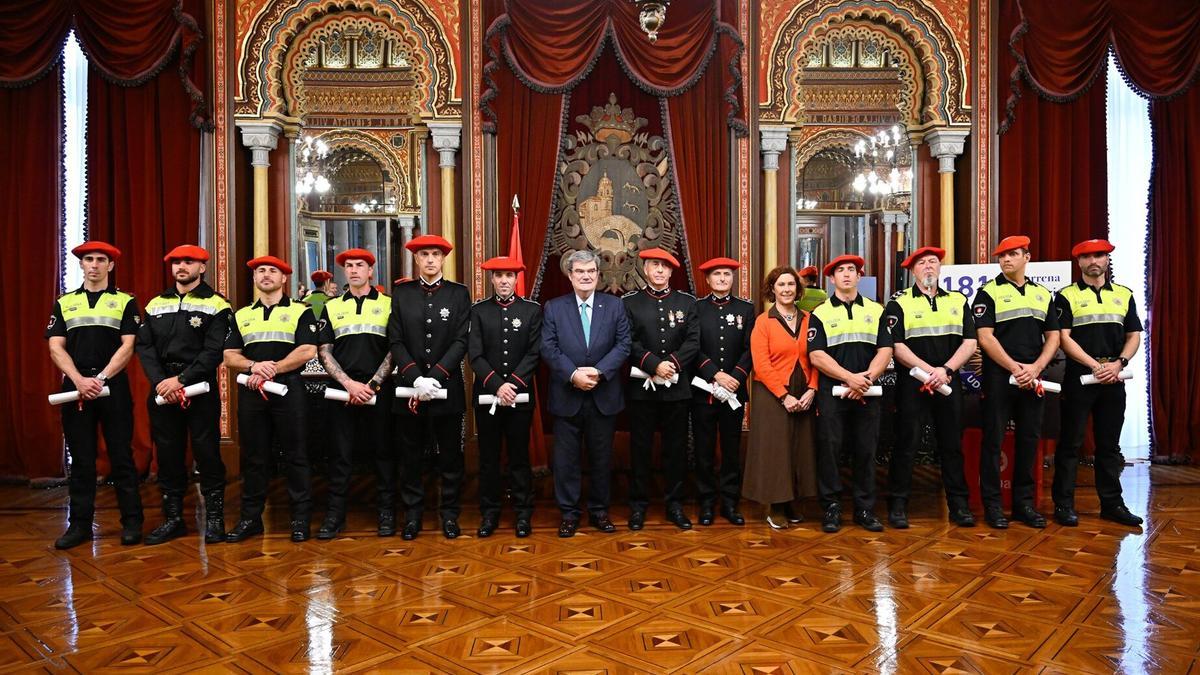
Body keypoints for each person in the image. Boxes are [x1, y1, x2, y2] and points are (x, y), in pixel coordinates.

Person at [46, 241, 143, 549]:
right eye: (89, 259)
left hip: (112, 386)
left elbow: (128, 346)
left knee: (121, 456)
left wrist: (99, 379)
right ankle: (79, 526)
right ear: (82, 264)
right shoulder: (64, 303)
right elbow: (54, 346)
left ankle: (131, 523)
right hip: (75, 388)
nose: (95, 264)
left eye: (102, 260)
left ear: (110, 266)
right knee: (83, 460)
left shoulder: (125, 302)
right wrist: (78, 380)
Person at [137, 244, 230, 545]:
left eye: (188, 262)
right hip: (164, 389)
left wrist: (181, 380)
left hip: (199, 387)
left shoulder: (218, 304)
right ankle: (173, 519)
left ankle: (215, 520)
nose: (181, 267)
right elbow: (145, 348)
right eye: (176, 262)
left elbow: (214, 351)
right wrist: (162, 382)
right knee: (168, 453)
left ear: (202, 268)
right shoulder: (154, 304)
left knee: (207, 452)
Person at [223, 255, 318, 542]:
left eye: (272, 271)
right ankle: (251, 519)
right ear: (254, 279)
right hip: (252, 390)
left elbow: (307, 351)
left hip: (289, 388)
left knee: (296, 456)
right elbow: (229, 356)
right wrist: (254, 367)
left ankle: (300, 520)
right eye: (260, 271)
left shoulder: (301, 311)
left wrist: (272, 368)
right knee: (254, 457)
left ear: (284, 278)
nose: (266, 275)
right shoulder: (241, 315)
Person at [1053, 239, 1144, 527]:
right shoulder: (1065, 296)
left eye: (1099, 255)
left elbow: (1134, 336)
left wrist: (1119, 364)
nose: (1093, 260)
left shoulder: (1124, 294)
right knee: (1071, 443)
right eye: (1086, 256)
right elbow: (1063, 337)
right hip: (1080, 377)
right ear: (1078, 263)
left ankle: (1112, 504)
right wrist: (1094, 365)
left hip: (1114, 377)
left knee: (1109, 446)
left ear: (1107, 260)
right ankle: (1064, 505)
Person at [885, 246, 978, 528]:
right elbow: (896, 346)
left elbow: (970, 342)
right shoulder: (898, 303)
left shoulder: (958, 300)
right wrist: (929, 372)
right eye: (922, 263)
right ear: (913, 271)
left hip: (949, 381)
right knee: (906, 444)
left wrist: (945, 370)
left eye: (933, 262)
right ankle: (898, 505)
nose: (928, 267)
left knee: (952, 444)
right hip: (913, 383)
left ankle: (959, 506)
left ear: (940, 268)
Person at [541, 249, 631, 538]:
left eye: (591, 271)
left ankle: (599, 511)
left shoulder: (614, 306)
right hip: (567, 396)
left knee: (601, 458)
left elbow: (623, 345)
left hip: (603, 395)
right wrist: (573, 375)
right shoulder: (554, 307)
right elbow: (549, 348)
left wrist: (598, 372)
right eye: (580, 271)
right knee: (566, 461)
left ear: (598, 275)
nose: (586, 276)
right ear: (570, 275)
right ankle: (568, 514)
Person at [973, 235, 1060, 529]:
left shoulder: (1042, 294)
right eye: (1002, 256)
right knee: (993, 441)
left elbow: (1053, 337)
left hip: (1033, 376)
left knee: (1029, 440)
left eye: (1013, 254)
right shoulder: (987, 293)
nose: (1006, 259)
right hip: (999, 376)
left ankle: (1025, 505)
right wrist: (1013, 367)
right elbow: (985, 337)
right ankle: (993, 506)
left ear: (1027, 257)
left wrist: (1035, 367)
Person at [387, 234, 471, 540]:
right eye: (424, 255)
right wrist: (415, 378)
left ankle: (449, 514)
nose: (431, 260)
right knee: (410, 456)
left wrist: (434, 376)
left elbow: (462, 339)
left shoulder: (458, 294)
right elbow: (395, 339)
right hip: (409, 390)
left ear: (444, 258)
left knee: (450, 456)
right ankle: (412, 516)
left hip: (446, 387)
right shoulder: (402, 293)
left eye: (436, 254)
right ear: (416, 259)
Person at [808, 255, 893, 533]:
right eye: (840, 271)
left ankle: (865, 509)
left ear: (859, 277)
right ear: (831, 280)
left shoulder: (877, 310)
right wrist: (849, 379)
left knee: (866, 450)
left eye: (852, 270)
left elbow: (885, 350)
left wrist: (865, 380)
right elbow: (817, 355)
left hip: (868, 391)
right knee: (830, 450)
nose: (846, 274)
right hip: (832, 392)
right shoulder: (820, 313)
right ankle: (831, 507)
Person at [315, 248, 393, 539]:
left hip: (380, 389)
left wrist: (371, 385)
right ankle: (335, 515)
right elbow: (324, 352)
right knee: (340, 455)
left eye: (360, 265)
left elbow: (393, 350)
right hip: (342, 392)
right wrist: (349, 385)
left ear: (371, 270)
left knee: (384, 453)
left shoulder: (388, 304)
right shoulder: (332, 307)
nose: (354, 270)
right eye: (349, 266)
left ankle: (386, 512)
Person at [622, 248, 698, 530]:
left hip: (677, 389)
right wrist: (654, 364)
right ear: (645, 268)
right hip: (642, 388)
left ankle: (674, 505)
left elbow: (693, 341)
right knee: (640, 448)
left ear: (671, 271)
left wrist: (673, 364)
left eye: (665, 267)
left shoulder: (686, 302)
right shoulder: (630, 303)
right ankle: (638, 506)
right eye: (654, 265)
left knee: (675, 449)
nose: (659, 271)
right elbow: (627, 341)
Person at [469, 256, 542, 538]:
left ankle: (523, 514)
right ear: (492, 279)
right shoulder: (479, 311)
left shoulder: (532, 311)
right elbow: (475, 353)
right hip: (488, 396)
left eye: (509, 276)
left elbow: (534, 353)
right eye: (498, 275)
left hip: (519, 398)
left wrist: (512, 385)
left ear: (516, 279)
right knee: (488, 459)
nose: (503, 280)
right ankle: (489, 514)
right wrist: (497, 385)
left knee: (519, 457)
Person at [745, 266, 819, 529]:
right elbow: (761, 364)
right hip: (772, 391)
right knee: (776, 449)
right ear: (772, 290)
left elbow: (818, 357)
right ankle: (775, 506)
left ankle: (793, 501)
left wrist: (812, 388)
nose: (786, 289)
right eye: (781, 285)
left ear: (798, 290)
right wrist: (784, 395)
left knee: (801, 448)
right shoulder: (763, 322)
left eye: (790, 285)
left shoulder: (810, 319)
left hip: (805, 389)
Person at [690, 257, 755, 526]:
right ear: (708, 279)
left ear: (733, 279)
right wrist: (715, 374)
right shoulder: (696, 308)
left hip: (734, 393)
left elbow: (750, 349)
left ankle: (730, 502)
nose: (722, 279)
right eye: (717, 275)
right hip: (703, 390)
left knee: (731, 449)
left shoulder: (746, 309)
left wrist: (734, 378)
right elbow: (692, 346)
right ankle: (706, 503)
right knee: (703, 450)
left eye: (727, 275)